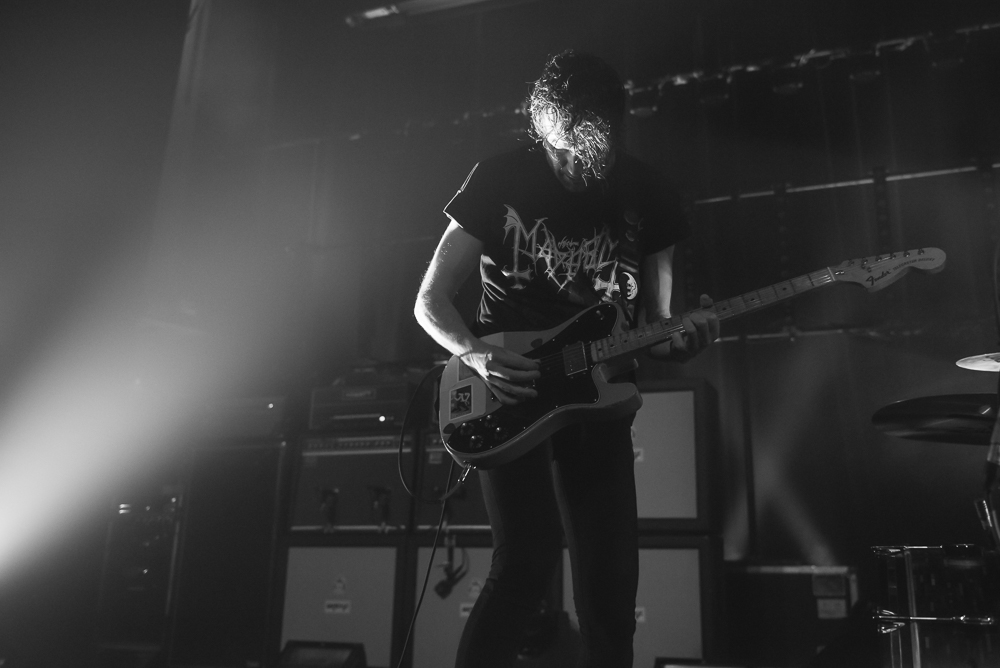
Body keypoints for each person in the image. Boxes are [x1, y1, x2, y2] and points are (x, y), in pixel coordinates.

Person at [413, 50, 720, 668]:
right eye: (564, 155)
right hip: (513, 387)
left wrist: (685, 338)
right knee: (525, 562)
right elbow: (430, 300)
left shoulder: (649, 193)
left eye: (594, 155)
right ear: (544, 130)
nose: (580, 170)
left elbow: (655, 330)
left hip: (601, 395)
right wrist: (474, 354)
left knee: (610, 584)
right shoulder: (500, 178)